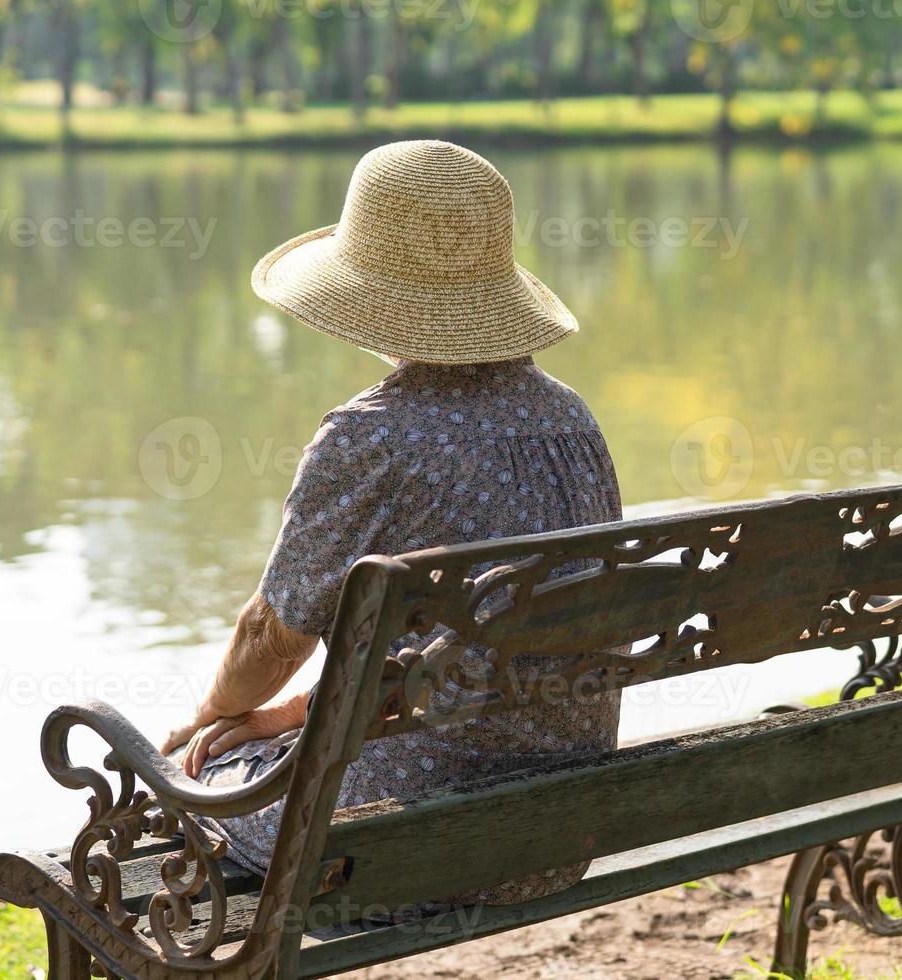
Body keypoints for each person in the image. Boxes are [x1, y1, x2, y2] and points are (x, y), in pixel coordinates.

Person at [161, 140, 622, 903]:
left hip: (398, 842)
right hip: (559, 826)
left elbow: (268, 638)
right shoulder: (573, 422)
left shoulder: (371, 436)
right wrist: (294, 712)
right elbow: (503, 645)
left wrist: (213, 717)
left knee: (190, 768)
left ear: (365, 292)